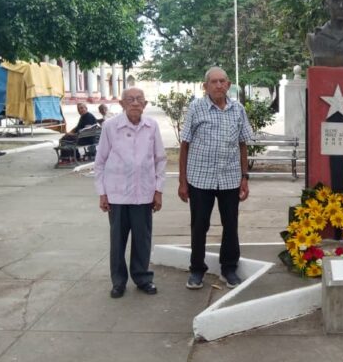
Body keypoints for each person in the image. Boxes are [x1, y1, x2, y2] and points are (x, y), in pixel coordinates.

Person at [179, 67, 254, 290]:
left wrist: (244, 177)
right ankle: (196, 270)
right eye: (214, 82)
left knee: (231, 224)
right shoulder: (196, 108)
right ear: (205, 86)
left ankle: (229, 268)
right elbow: (185, 144)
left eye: (222, 81)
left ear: (229, 85)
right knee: (199, 225)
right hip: (200, 178)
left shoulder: (237, 109)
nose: (219, 85)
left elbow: (243, 144)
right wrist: (182, 181)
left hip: (230, 178)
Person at [94, 88, 166, 299]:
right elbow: (100, 162)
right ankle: (118, 282)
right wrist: (102, 193)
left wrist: (158, 190)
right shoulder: (110, 126)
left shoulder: (151, 126)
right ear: (121, 103)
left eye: (139, 99)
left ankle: (143, 278)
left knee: (142, 238)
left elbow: (160, 159)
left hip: (144, 193)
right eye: (130, 99)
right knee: (118, 241)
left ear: (145, 104)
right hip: (116, 194)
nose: (135, 103)